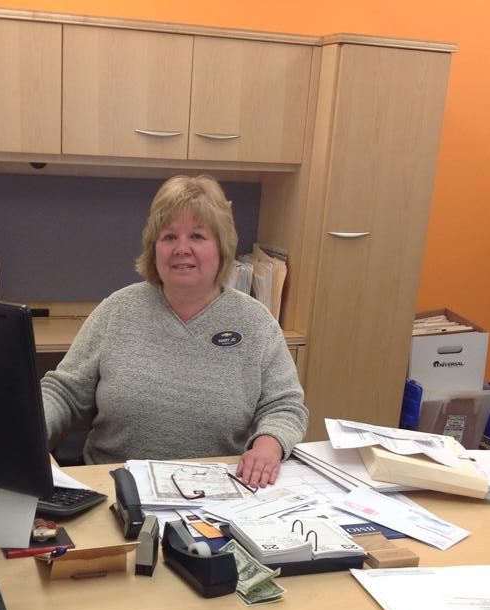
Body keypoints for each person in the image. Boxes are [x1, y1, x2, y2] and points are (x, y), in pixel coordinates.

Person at [41, 175, 308, 488]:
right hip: (117, 488)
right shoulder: (117, 309)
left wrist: (268, 446)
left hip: (217, 494)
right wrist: (28, 431)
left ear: (222, 248)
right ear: (154, 247)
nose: (182, 249)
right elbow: (64, 392)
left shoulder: (255, 322)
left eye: (197, 236)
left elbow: (285, 406)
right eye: (169, 237)